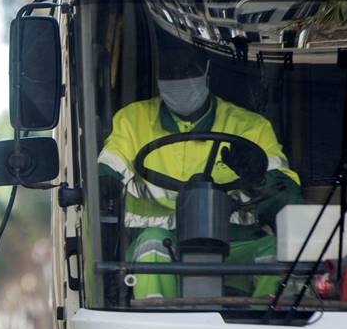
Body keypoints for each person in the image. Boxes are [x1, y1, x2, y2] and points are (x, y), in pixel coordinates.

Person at [97, 44, 302, 300]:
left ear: (207, 71)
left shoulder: (251, 127)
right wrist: (105, 183)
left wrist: (257, 176)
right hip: (166, 244)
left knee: (273, 252)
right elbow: (108, 170)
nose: (178, 79)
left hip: (236, 244)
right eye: (169, 73)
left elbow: (290, 200)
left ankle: (267, 328)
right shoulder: (132, 120)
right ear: (158, 77)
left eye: (187, 71)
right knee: (152, 245)